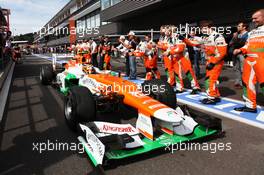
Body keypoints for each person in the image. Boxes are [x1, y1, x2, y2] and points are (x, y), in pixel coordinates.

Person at [182, 20, 227, 104]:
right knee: (211, 79)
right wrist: (184, 39)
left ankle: (211, 98)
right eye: (201, 28)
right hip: (209, 61)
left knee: (209, 79)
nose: (202, 30)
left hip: (216, 61)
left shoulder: (217, 36)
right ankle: (215, 95)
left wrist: (213, 62)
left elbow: (222, 53)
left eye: (203, 28)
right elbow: (194, 43)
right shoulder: (205, 37)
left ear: (209, 27)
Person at [233, 9, 264, 113]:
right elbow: (247, 45)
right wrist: (240, 49)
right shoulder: (252, 32)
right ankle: (250, 106)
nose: (254, 20)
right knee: (247, 83)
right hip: (249, 61)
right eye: (253, 18)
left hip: (262, 61)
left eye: (256, 18)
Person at [169, 28, 201, 94]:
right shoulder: (169, 38)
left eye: (166, 29)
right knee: (177, 73)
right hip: (176, 57)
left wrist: (169, 52)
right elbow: (170, 47)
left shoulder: (178, 36)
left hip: (183, 57)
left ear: (170, 31)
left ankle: (195, 87)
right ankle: (179, 87)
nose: (164, 31)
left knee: (188, 72)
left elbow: (180, 48)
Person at [229, 22, 248, 89]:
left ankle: (244, 83)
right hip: (235, 54)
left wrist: (239, 48)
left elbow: (247, 44)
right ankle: (238, 82)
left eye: (239, 26)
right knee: (236, 69)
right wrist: (234, 37)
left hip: (243, 54)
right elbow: (230, 43)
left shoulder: (248, 34)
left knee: (243, 69)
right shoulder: (236, 34)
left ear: (244, 27)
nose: (237, 27)